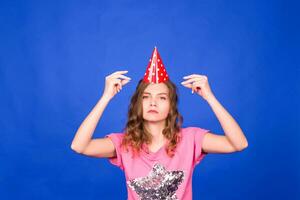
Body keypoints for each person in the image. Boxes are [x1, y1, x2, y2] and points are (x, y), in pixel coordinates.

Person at [71, 47, 248, 200]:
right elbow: (80, 146)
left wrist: (209, 97)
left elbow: (239, 144)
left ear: (171, 106)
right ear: (137, 103)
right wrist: (106, 97)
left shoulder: (191, 139)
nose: (153, 102)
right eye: (146, 97)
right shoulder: (125, 143)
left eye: (162, 97)